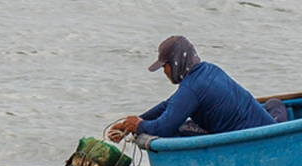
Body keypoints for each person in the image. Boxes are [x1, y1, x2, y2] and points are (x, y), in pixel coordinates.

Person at [105, 36, 285, 141]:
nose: (164, 72)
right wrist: (131, 123)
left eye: (164, 66)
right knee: (274, 103)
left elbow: (164, 128)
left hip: (251, 142)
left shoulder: (191, 89)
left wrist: (140, 126)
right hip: (269, 129)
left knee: (183, 127)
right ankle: (284, 129)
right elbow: (168, 105)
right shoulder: (209, 70)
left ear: (176, 63)